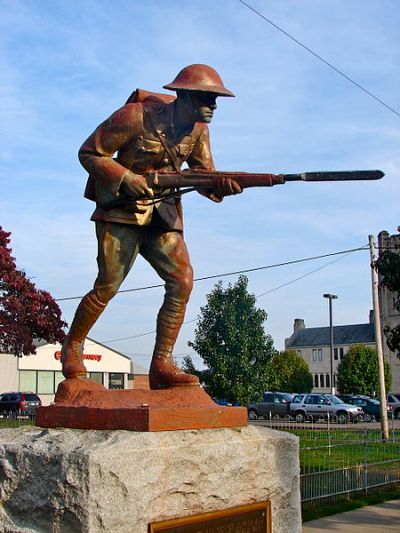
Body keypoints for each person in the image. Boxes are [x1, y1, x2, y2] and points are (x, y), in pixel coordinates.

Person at [61, 64, 242, 389]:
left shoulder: (199, 130)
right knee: (108, 285)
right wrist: (125, 178)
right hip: (122, 211)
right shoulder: (136, 116)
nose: (212, 106)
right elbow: (89, 152)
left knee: (182, 281)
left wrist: (221, 186)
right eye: (206, 98)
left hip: (163, 214)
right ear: (184, 95)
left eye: (215, 99)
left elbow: (203, 175)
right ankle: (73, 347)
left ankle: (162, 364)